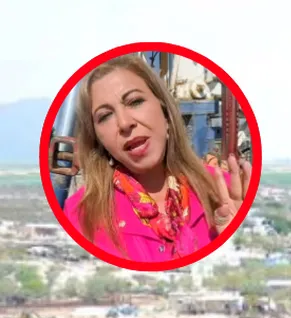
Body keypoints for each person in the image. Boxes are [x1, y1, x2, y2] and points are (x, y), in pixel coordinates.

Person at [62, 54, 252, 263]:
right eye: (105, 116)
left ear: (165, 114)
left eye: (135, 102)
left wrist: (233, 241)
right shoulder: (80, 218)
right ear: (98, 140)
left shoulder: (222, 193)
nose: (125, 123)